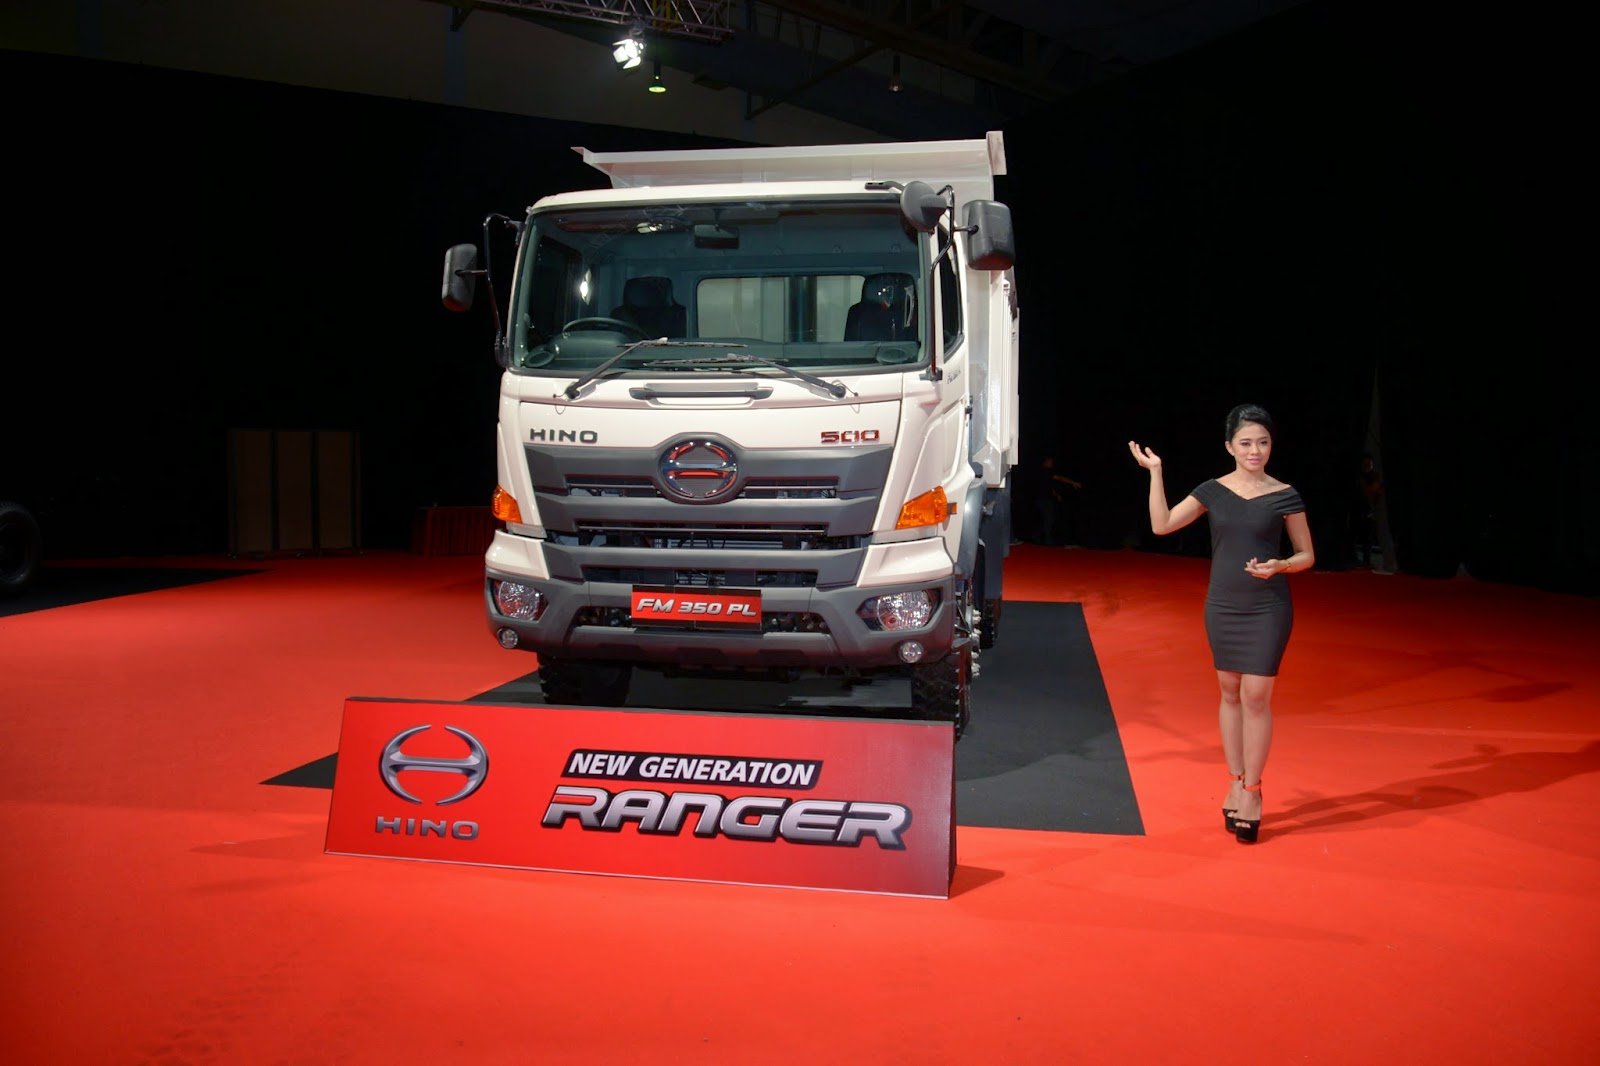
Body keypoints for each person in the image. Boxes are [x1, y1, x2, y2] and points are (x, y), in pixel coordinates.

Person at [1127, 403, 1314, 844]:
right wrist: (1156, 473)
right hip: (1223, 605)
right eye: (1246, 443)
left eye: (1263, 442)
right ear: (1230, 446)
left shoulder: (1285, 494)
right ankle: (1234, 779)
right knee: (1229, 692)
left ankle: (1253, 791)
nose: (1255, 451)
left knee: (1256, 695)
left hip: (1268, 606)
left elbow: (1307, 554)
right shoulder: (1212, 490)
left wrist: (1281, 565)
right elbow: (1162, 525)